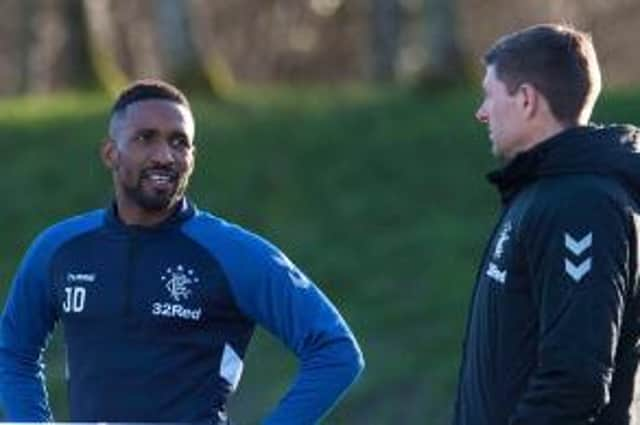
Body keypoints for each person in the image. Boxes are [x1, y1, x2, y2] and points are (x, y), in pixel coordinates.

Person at [0, 79, 364, 424]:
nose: (165, 156)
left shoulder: (234, 254)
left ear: (193, 156)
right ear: (111, 152)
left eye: (179, 142)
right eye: (146, 138)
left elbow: (335, 351)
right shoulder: (59, 248)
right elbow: (13, 351)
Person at [453, 24, 640, 425]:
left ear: (525, 100)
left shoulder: (582, 206)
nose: (481, 112)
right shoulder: (541, 193)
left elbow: (575, 378)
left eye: (489, 94)